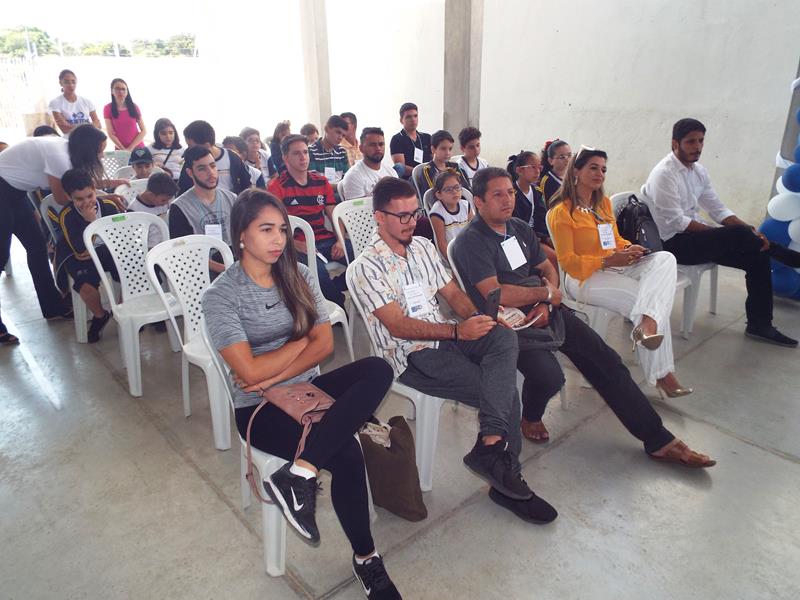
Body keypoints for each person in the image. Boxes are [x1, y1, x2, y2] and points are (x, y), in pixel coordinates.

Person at [201, 189, 401, 599]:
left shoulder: (300, 275)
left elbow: (324, 346)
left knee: (378, 368)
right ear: (241, 234)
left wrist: (275, 366)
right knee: (345, 452)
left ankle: (301, 473)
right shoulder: (221, 295)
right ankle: (367, 558)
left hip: (304, 390)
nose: (278, 240)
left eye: (282, 230)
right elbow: (250, 373)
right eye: (266, 230)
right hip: (257, 408)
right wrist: (297, 344)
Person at [451, 167, 716, 468]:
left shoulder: (518, 228)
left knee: (606, 360)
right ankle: (531, 414)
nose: (507, 200)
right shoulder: (470, 242)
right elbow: (496, 294)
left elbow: (547, 266)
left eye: (510, 192)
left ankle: (658, 439)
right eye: (497, 194)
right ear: (478, 201)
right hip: (509, 326)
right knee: (550, 377)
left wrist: (549, 298)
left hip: (546, 309)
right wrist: (545, 296)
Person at [351, 177, 558, 525]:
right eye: (399, 216)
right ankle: (506, 481)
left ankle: (490, 449)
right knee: (505, 393)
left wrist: (478, 319)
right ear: (378, 217)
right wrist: (457, 332)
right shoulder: (365, 268)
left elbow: (453, 294)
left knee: (503, 338)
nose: (409, 222)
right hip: (414, 355)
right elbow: (398, 326)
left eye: (413, 214)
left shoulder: (422, 247)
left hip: (449, 337)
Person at [548, 147, 691, 398]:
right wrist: (607, 261)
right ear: (577, 171)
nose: (600, 173)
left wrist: (628, 247)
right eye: (593, 167)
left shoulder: (602, 204)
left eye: (603, 169)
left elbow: (613, 239)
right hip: (583, 278)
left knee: (665, 260)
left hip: (615, 265)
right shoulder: (562, 212)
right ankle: (662, 375)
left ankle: (647, 326)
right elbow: (569, 262)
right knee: (647, 300)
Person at [646, 118, 800, 347]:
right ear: (674, 144)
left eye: (700, 141)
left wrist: (748, 230)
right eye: (690, 142)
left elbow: (717, 208)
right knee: (736, 235)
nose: (697, 147)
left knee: (756, 256)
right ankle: (784, 254)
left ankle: (760, 324)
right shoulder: (664, 174)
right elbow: (677, 222)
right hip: (671, 244)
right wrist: (724, 236)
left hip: (695, 240)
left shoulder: (698, 172)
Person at [0, 125, 126, 322]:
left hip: (16, 192)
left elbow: (78, 185)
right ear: (87, 149)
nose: (101, 156)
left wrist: (111, 185)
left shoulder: (67, 150)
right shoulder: (59, 155)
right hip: (2, 188)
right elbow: (62, 197)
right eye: (99, 151)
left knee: (37, 248)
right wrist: (102, 199)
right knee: (1, 255)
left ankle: (53, 307)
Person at [268, 134, 351, 307]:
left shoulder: (321, 182)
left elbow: (333, 214)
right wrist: (294, 244)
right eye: (297, 153)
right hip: (297, 244)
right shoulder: (277, 186)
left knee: (361, 258)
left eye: (305, 152)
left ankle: (337, 287)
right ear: (285, 157)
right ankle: (338, 306)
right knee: (317, 275)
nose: (303, 157)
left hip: (324, 239)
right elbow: (273, 225)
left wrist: (340, 240)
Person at [55, 169, 119, 343]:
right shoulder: (67, 215)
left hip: (106, 250)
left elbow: (117, 238)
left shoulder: (109, 206)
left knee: (130, 272)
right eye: (79, 199)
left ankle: (121, 311)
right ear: (69, 197)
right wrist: (89, 222)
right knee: (86, 286)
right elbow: (80, 249)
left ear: (94, 188)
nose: (86, 202)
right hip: (77, 255)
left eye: (89, 196)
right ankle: (100, 315)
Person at [169, 146, 237, 275]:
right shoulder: (180, 208)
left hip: (233, 261)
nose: (211, 173)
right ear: (190, 173)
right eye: (202, 168)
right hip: (201, 271)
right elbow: (184, 252)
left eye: (212, 166)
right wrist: (227, 270)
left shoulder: (232, 198)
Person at [177, 120, 262, 195]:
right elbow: (183, 189)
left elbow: (246, 184)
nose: (189, 149)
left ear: (206, 145)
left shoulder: (232, 158)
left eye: (190, 146)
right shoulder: (191, 161)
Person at [507, 151, 557, 270]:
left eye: (539, 167)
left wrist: (546, 237)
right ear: (519, 170)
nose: (537, 171)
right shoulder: (512, 193)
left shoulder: (537, 191)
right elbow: (513, 223)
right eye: (533, 167)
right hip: (520, 239)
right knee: (554, 259)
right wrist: (536, 238)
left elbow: (542, 218)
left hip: (538, 237)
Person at [340, 127, 398, 200]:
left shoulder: (391, 172)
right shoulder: (353, 176)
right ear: (361, 148)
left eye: (381, 144)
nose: (378, 148)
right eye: (372, 145)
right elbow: (357, 209)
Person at [428, 170, 473, 260]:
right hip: (451, 255)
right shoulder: (437, 213)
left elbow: (474, 231)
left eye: (457, 187)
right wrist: (454, 262)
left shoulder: (465, 205)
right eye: (448, 189)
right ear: (439, 194)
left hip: (468, 251)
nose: (454, 192)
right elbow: (442, 244)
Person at [127, 172, 178, 248]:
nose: (166, 203)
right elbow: (135, 238)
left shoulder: (164, 202)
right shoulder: (134, 210)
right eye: (163, 200)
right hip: (148, 248)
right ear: (150, 194)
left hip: (167, 243)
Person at [418, 130, 469, 198]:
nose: (447, 152)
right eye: (443, 149)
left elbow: (465, 189)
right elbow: (431, 195)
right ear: (433, 149)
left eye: (450, 149)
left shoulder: (455, 167)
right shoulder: (427, 170)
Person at [47, 69, 101, 135]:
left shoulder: (87, 102)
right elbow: (65, 129)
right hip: (70, 140)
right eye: (66, 82)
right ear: (60, 83)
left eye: (73, 81)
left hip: (89, 138)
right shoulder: (55, 103)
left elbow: (98, 125)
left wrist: (70, 126)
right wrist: (90, 126)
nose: (71, 85)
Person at [390, 102, 431, 180]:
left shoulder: (427, 137)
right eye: (408, 117)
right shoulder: (397, 139)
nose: (413, 119)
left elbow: (434, 160)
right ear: (401, 120)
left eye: (415, 116)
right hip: (409, 181)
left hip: (429, 178)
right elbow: (402, 168)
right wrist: (422, 173)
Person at [103, 78, 146, 151]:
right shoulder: (107, 108)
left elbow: (143, 130)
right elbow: (110, 134)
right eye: (117, 88)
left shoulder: (134, 107)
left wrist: (130, 148)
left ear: (127, 92)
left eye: (123, 89)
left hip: (139, 148)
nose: (121, 91)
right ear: (112, 91)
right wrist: (123, 150)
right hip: (120, 149)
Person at [308, 115, 350, 188]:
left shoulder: (342, 151)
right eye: (338, 132)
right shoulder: (311, 151)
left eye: (343, 135)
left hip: (341, 194)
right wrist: (339, 186)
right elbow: (315, 183)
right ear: (326, 129)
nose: (340, 137)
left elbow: (347, 179)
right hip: (320, 195)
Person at [539, 139, 571, 205]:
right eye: (562, 157)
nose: (567, 159)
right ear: (551, 161)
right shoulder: (547, 181)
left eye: (569, 155)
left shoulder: (574, 177)